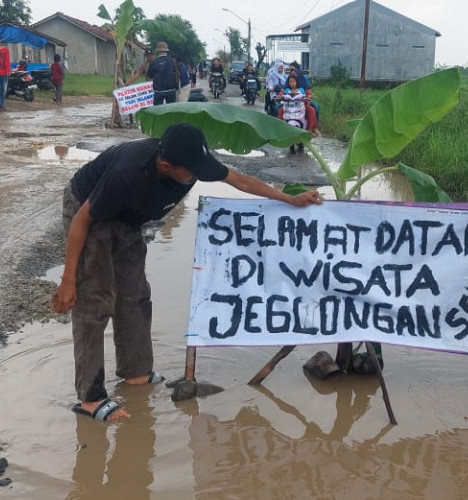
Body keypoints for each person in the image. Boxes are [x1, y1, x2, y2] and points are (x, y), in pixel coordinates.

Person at [51, 123, 322, 422]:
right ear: (166, 166)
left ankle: (136, 373)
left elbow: (240, 181)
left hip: (128, 220)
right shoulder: (126, 174)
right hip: (89, 212)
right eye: (193, 171)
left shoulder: (191, 160)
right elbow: (82, 219)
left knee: (136, 295)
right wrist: (68, 280)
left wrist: (290, 199)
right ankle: (90, 398)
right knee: (96, 299)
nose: (200, 175)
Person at [0, 37, 10, 111]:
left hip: (4, 73)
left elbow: (7, 60)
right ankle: (1, 105)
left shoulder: (5, 49)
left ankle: (2, 104)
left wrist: (8, 70)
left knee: (4, 90)